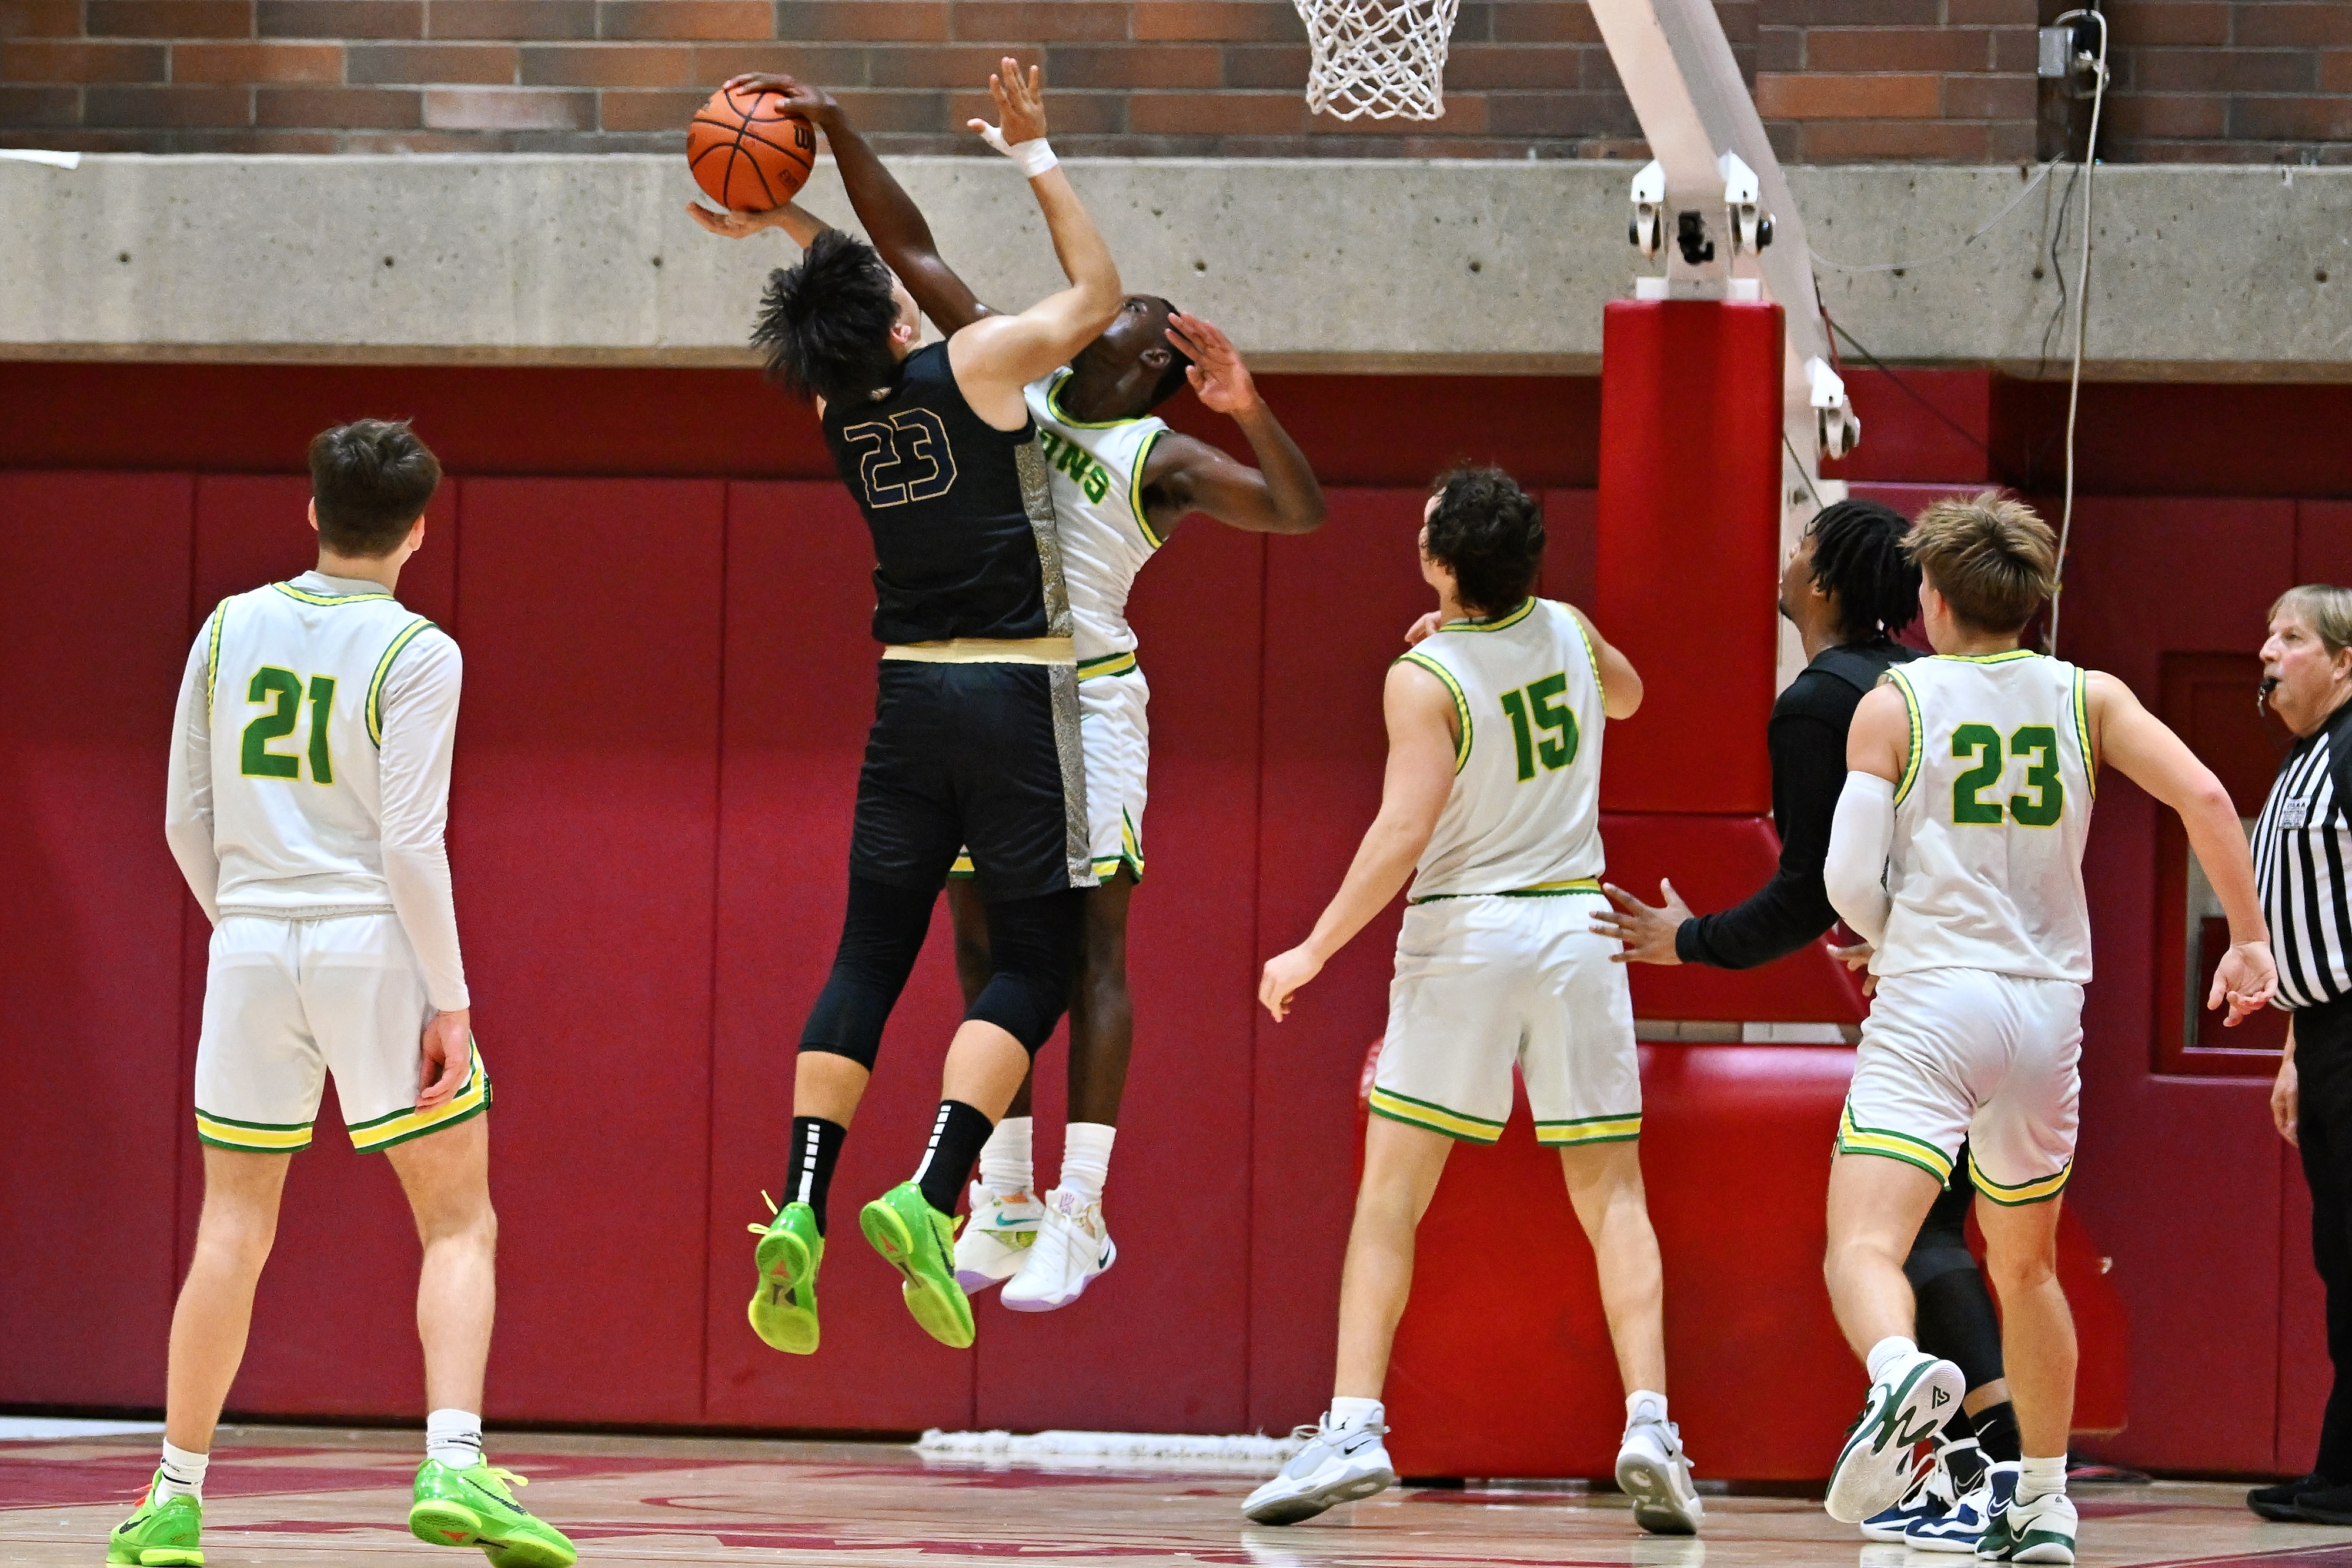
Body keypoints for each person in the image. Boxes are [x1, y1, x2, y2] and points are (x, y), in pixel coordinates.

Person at [706, 71, 1329, 1314]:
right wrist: (808, 182)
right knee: (985, 942)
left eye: (1143, 327)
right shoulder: (1007, 365)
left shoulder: (1158, 454)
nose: (1124, 320)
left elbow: (1301, 512)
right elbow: (900, 251)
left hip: (1072, 701)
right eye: (1127, 312)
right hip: (1007, 700)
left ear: (1149, 370)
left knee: (1071, 946)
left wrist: (1247, 408)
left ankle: (1072, 1206)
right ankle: (993, 1189)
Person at [693, 59, 1123, 1356]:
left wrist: (784, 215)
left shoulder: (837, 405)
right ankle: (932, 1193)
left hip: (902, 706)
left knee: (865, 960)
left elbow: (855, 288)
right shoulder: (982, 366)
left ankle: (807, 1205)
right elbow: (1097, 297)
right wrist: (1039, 157)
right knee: (1040, 963)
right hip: (1009, 696)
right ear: (892, 320)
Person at [111, 421, 575, 1568]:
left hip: (253, 941)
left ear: (311, 510)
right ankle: (455, 1462)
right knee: (456, 1216)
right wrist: (450, 997)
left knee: (232, 1226)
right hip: (374, 940)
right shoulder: (419, 650)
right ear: (419, 528)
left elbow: (182, 817)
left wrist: (252, 931)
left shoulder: (226, 626)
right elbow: (413, 844)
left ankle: (174, 1495)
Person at [1821, 492, 2275, 1564]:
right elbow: (2208, 797)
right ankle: (2041, 1501)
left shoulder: (1895, 702)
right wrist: (2248, 942)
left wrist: (1888, 939)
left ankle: (1899, 1377)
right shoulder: (2090, 698)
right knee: (2026, 1268)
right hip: (2045, 1012)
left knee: (1865, 1241)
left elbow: (1846, 879)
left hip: (1936, 993)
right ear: (2031, 600)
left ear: (1931, 596)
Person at [1245, 469, 1702, 1534]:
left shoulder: (1424, 675)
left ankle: (1355, 1426)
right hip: (1577, 935)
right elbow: (1629, 697)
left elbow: (1403, 830)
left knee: (1392, 1198)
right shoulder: (1575, 632)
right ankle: (1649, 1424)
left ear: (1441, 567)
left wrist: (1314, 947)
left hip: (1468, 932)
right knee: (1615, 1198)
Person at [1589, 499, 2022, 1548]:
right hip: (2022, 989)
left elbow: (1809, 893)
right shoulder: (1930, 685)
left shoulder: (1817, 704)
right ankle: (1999, 1460)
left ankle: (1965, 1444)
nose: (1780, 558)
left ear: (1822, 583)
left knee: (1880, 1240)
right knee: (1950, 1230)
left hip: (1929, 1000)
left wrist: (1688, 940)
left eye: (1796, 545)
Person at [2250, 585, 2352, 1526]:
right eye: (2266, 637)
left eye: (2291, 639)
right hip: (2325, 1033)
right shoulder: (2304, 757)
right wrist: (2291, 1045)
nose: (2268, 654)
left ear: (2345, 662)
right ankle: (2340, 1466)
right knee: (2343, 1257)